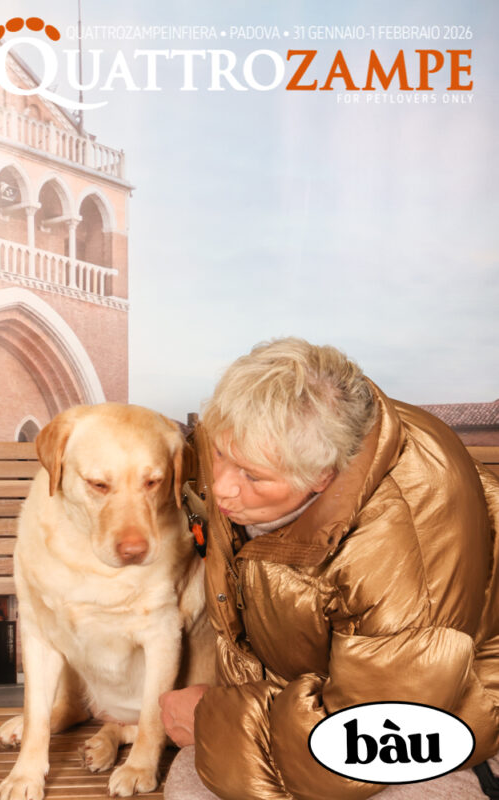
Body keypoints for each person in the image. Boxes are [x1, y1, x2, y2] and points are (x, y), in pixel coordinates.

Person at [160, 338, 499, 800]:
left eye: (252, 476)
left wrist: (211, 721)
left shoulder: (405, 550)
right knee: (192, 782)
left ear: (323, 476)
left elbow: (357, 746)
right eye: (218, 453)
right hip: (306, 687)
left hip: (436, 709)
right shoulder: (271, 438)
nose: (220, 488)